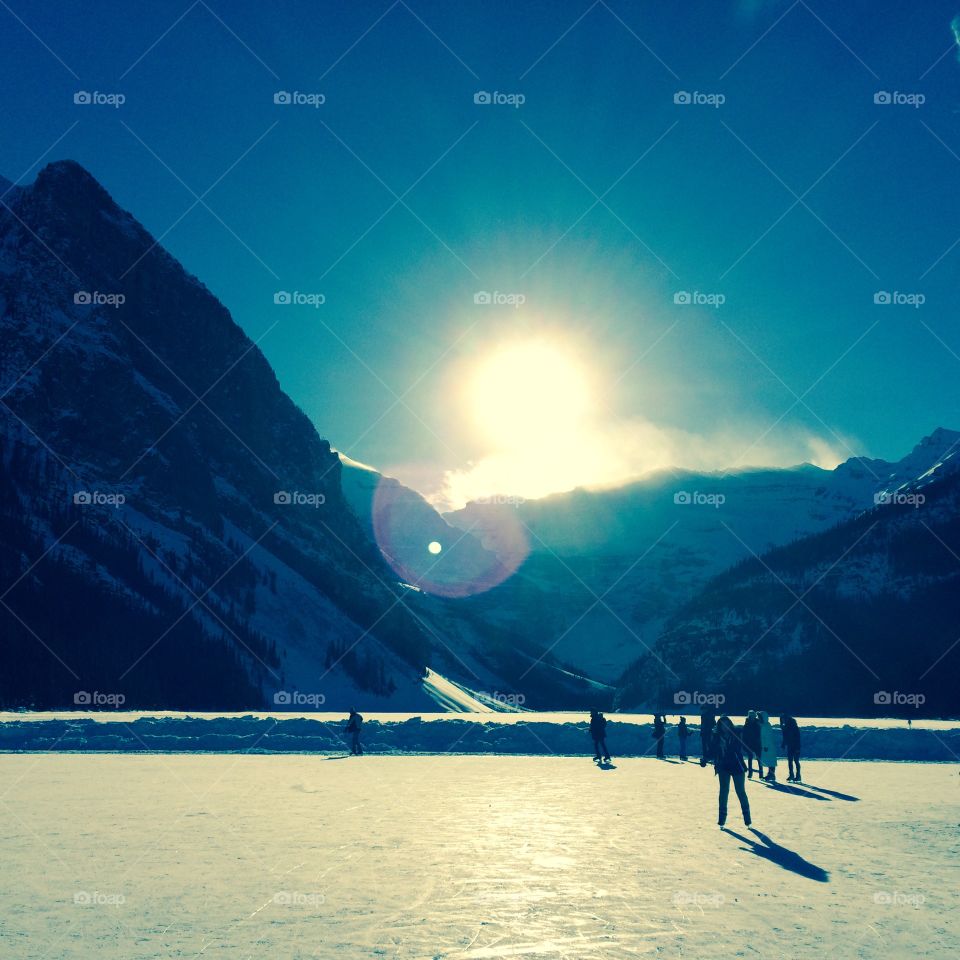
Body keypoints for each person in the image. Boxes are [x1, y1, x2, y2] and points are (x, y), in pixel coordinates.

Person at [711, 716, 752, 828]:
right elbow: (713, 750)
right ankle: (721, 820)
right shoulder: (717, 736)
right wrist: (706, 759)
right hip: (723, 766)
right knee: (723, 792)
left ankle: (747, 819)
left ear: (730, 724)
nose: (725, 727)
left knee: (740, 791)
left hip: (737, 766)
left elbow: (741, 745)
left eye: (727, 724)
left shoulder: (736, 734)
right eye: (722, 725)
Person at [780, 715, 802, 782]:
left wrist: (798, 748)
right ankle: (791, 775)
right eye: (782, 720)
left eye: (783, 719)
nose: (783, 721)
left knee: (796, 761)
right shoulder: (785, 727)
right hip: (790, 746)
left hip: (795, 746)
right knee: (790, 761)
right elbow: (785, 737)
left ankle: (798, 775)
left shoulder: (794, 727)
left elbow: (798, 738)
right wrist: (783, 744)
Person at [742, 710, 762, 779]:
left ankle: (761, 773)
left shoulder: (758, 723)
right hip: (749, 744)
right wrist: (744, 744)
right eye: (751, 716)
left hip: (757, 744)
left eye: (753, 715)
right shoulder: (746, 724)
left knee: (759, 759)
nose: (752, 717)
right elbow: (744, 735)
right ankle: (750, 773)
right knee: (750, 759)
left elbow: (760, 734)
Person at [758, 711, 777, 781]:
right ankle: (770, 774)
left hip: (768, 747)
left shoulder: (766, 726)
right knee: (769, 761)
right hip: (767, 747)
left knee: (771, 761)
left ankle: (771, 775)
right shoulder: (764, 725)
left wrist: (766, 746)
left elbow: (767, 737)